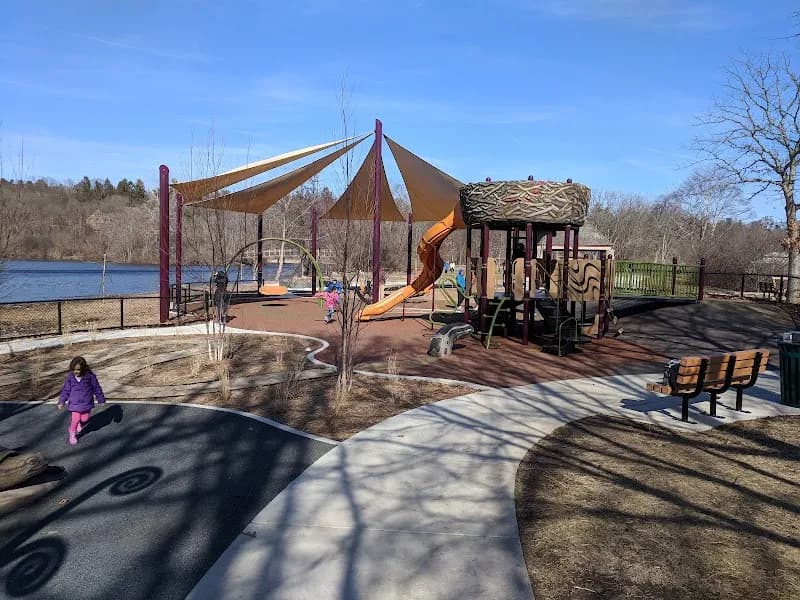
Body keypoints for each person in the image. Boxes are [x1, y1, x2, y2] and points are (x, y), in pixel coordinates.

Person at [58, 356, 106, 445]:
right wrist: (62, 401)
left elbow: (96, 388)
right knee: (75, 419)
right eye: (73, 370)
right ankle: (72, 433)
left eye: (78, 370)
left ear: (83, 368)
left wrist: (101, 399)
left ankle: (79, 423)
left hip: (86, 402)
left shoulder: (90, 376)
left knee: (85, 419)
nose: (75, 372)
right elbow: (66, 390)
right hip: (74, 403)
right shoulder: (70, 378)